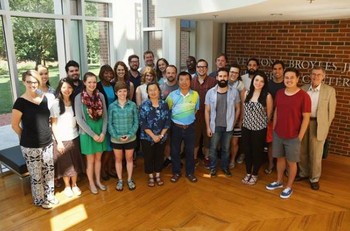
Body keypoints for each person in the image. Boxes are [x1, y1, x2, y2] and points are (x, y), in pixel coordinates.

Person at [11, 70, 58, 209]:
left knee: (49, 172)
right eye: (29, 82)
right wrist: (26, 136)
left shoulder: (42, 96)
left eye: (35, 81)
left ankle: (50, 196)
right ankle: (39, 200)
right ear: (24, 82)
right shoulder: (20, 102)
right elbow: (14, 125)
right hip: (30, 146)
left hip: (47, 142)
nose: (33, 84)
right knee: (36, 176)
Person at [266, 67, 311, 199]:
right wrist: (274, 130)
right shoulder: (279, 93)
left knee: (292, 162)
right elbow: (277, 111)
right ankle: (279, 182)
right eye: (287, 78)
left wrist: (300, 137)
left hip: (294, 136)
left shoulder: (304, 96)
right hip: (279, 133)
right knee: (280, 159)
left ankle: (289, 186)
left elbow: (306, 117)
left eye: (292, 77)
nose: (289, 80)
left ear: (297, 79)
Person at [297, 66, 336, 190]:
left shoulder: (329, 91)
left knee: (316, 153)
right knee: (302, 150)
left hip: (318, 125)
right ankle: (303, 173)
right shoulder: (303, 89)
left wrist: (325, 127)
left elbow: (331, 113)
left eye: (319, 75)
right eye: (314, 74)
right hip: (303, 123)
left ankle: (314, 178)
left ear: (323, 76)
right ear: (310, 75)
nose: (316, 77)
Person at [51, 77, 85, 198]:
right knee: (65, 165)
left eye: (69, 87)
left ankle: (74, 185)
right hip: (61, 139)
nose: (67, 90)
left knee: (74, 164)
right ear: (60, 89)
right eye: (64, 87)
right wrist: (59, 142)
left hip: (74, 137)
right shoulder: (55, 104)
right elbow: (53, 125)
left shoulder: (75, 102)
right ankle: (67, 186)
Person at [75, 72, 108, 195]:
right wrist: (93, 135)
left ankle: (98, 181)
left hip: (100, 133)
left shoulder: (101, 96)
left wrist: (103, 133)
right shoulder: (79, 97)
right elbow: (79, 119)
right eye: (89, 82)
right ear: (84, 83)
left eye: (94, 82)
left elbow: (105, 116)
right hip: (87, 134)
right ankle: (91, 183)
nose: (92, 84)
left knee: (99, 159)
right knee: (91, 161)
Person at [205, 68, 241, 177]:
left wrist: (234, 121)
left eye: (225, 76)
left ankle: (225, 168)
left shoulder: (234, 92)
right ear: (217, 77)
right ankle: (213, 168)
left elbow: (238, 108)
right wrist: (208, 127)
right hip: (214, 126)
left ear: (228, 77)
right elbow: (207, 110)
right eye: (220, 76)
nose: (222, 78)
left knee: (226, 149)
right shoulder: (210, 92)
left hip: (228, 127)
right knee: (213, 149)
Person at [166, 71, 200, 183]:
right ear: (178, 81)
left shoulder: (195, 95)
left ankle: (190, 173)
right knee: (175, 151)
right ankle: (176, 173)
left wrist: (187, 120)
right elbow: (168, 110)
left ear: (190, 81)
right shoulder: (172, 96)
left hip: (190, 127)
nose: (184, 82)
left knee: (190, 152)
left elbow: (195, 110)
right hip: (176, 127)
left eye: (187, 79)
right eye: (181, 79)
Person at [241, 71, 273, 185]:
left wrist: (260, 123)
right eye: (256, 80)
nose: (258, 83)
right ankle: (248, 172)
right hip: (246, 127)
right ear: (253, 81)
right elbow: (243, 110)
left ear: (264, 83)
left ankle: (255, 174)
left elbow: (269, 115)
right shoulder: (246, 93)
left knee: (257, 152)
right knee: (247, 151)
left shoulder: (267, 96)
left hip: (259, 129)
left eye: (261, 81)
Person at [108, 82, 139, 191]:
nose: (122, 93)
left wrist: (130, 135)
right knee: (118, 159)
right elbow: (109, 123)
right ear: (116, 93)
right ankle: (120, 180)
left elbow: (136, 122)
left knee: (129, 159)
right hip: (116, 139)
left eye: (124, 91)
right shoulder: (111, 106)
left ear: (127, 92)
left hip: (130, 138)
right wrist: (116, 136)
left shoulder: (132, 105)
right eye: (120, 91)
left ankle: (129, 179)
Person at [140, 82, 171, 187]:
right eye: (150, 90)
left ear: (159, 91)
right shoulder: (144, 105)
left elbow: (167, 121)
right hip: (147, 137)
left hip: (161, 137)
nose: (153, 92)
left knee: (159, 156)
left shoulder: (164, 104)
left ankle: (157, 175)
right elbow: (142, 123)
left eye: (155, 89)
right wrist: (153, 136)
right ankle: (150, 176)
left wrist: (161, 136)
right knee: (148, 157)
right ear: (147, 92)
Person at [191, 59, 217, 168]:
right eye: (199, 67)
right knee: (195, 139)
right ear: (196, 68)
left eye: (203, 67)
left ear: (207, 68)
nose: (201, 69)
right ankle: (194, 158)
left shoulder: (213, 81)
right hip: (194, 115)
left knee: (208, 139)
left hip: (209, 115)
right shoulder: (191, 81)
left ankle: (206, 158)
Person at [237, 58, 260, 164]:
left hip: (256, 112)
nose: (252, 67)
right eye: (250, 65)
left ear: (257, 67)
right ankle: (242, 154)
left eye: (254, 65)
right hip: (243, 109)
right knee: (243, 135)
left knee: (253, 137)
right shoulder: (242, 78)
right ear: (247, 66)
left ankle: (252, 157)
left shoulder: (260, 78)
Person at [265, 60, 286, 174]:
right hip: (271, 119)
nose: (277, 71)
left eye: (279, 69)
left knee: (285, 144)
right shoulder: (268, 84)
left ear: (283, 70)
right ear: (272, 71)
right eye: (275, 69)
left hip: (285, 120)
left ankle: (284, 167)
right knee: (271, 143)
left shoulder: (287, 84)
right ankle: (271, 164)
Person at [96, 64, 117, 181]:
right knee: (106, 148)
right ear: (101, 74)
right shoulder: (98, 86)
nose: (108, 75)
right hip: (103, 120)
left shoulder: (113, 85)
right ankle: (102, 169)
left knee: (112, 147)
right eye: (106, 73)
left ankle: (109, 168)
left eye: (110, 73)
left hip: (114, 120)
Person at [160, 65, 179, 167]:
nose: (170, 75)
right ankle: (167, 157)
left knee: (177, 140)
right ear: (165, 74)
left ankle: (175, 159)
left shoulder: (180, 87)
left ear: (176, 74)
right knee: (166, 140)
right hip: (164, 119)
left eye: (173, 73)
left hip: (178, 119)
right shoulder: (161, 87)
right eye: (168, 73)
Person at [228, 64, 245, 169]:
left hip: (236, 116)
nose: (233, 74)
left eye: (236, 72)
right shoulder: (222, 81)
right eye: (232, 72)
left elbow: (243, 104)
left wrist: (241, 119)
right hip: (224, 117)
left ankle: (232, 160)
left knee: (234, 141)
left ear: (238, 74)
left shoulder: (241, 85)